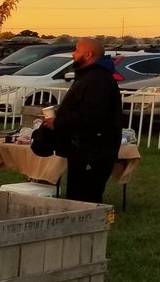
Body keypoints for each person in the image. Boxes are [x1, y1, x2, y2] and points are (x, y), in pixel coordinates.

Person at [43, 38, 123, 204]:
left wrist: (58, 123)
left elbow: (90, 115)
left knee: (85, 198)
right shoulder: (88, 76)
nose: (73, 54)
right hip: (82, 149)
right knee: (76, 195)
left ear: (88, 54)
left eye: (77, 50)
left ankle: (87, 227)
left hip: (93, 151)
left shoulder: (97, 79)